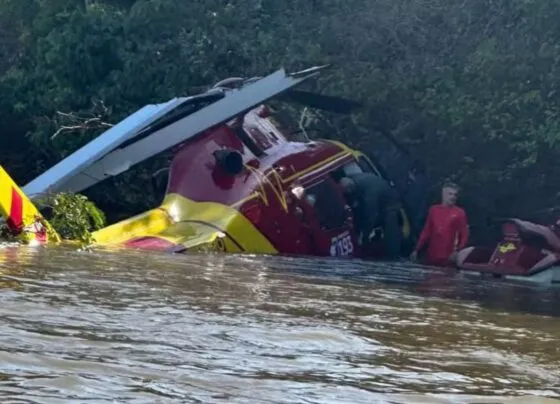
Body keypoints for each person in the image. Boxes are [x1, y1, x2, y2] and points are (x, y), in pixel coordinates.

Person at [339, 172, 402, 259]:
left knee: (390, 230)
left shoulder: (370, 193)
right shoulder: (352, 179)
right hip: (378, 197)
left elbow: (371, 215)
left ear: (350, 189)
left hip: (390, 204)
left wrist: (364, 236)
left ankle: (393, 257)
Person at [410, 182, 469, 266]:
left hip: (449, 257)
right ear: (443, 194)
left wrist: (457, 252)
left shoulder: (460, 213)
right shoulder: (434, 210)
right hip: (431, 256)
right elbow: (426, 231)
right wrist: (416, 249)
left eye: (455, 195)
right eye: (450, 194)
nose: (453, 197)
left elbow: (464, 235)